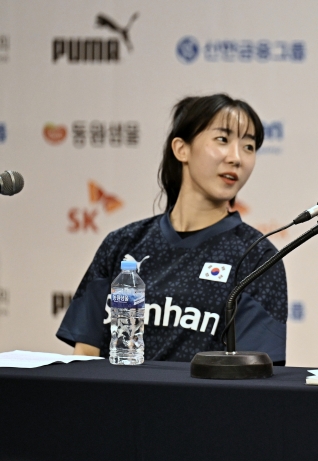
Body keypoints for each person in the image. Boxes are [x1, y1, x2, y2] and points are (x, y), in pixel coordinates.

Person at [57, 94, 287, 364]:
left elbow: (253, 372)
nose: (237, 158)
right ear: (181, 149)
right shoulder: (123, 244)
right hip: (113, 403)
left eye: (249, 146)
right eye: (223, 140)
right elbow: (85, 353)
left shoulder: (257, 257)